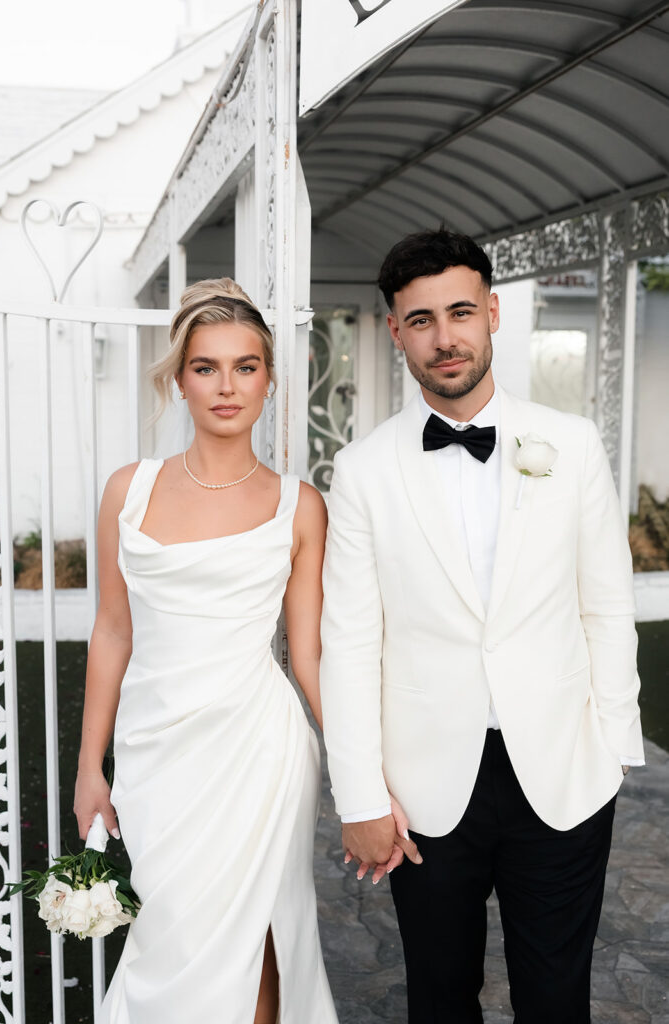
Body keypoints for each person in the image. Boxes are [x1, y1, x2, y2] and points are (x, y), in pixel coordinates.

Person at [320, 228, 644, 1023]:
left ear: (492, 313)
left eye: (459, 312)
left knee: (556, 999)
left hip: (563, 774)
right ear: (394, 331)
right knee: (438, 998)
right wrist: (359, 795)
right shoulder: (361, 471)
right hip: (425, 787)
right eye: (420, 319)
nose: (444, 337)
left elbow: (605, 605)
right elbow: (350, 644)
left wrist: (610, 748)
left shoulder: (571, 444)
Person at [74, 278, 338, 1024]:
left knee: (260, 935)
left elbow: (308, 657)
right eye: (206, 367)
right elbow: (113, 631)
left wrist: (361, 772)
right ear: (180, 380)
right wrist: (91, 767)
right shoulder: (129, 490)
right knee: (171, 935)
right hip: (157, 754)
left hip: (259, 751)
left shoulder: (299, 506)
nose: (227, 386)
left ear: (269, 379)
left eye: (245, 367)